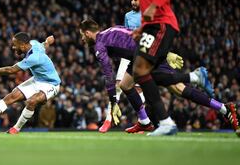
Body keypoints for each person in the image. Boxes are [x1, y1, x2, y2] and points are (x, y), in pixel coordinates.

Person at [79, 19, 239, 136]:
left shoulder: (99, 45)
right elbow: (132, 35)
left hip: (145, 55)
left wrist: (113, 102)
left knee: (178, 89)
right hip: (139, 54)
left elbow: (108, 75)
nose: (82, 40)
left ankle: (224, 108)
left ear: (87, 33)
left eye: (82, 35)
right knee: (126, 85)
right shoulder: (111, 30)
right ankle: (144, 122)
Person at [131, 0, 183, 136]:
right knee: (143, 72)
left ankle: (166, 122)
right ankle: (166, 121)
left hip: (162, 23)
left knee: (140, 70)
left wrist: (155, 5)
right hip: (152, 25)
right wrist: (141, 27)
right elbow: (147, 1)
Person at [0, 32, 61, 134]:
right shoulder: (34, 43)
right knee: (11, 97)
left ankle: (16, 128)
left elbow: (10, 70)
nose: (13, 47)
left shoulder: (33, 58)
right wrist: (47, 41)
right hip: (37, 79)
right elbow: (43, 46)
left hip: (51, 84)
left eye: (15, 45)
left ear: (23, 45)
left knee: (31, 101)